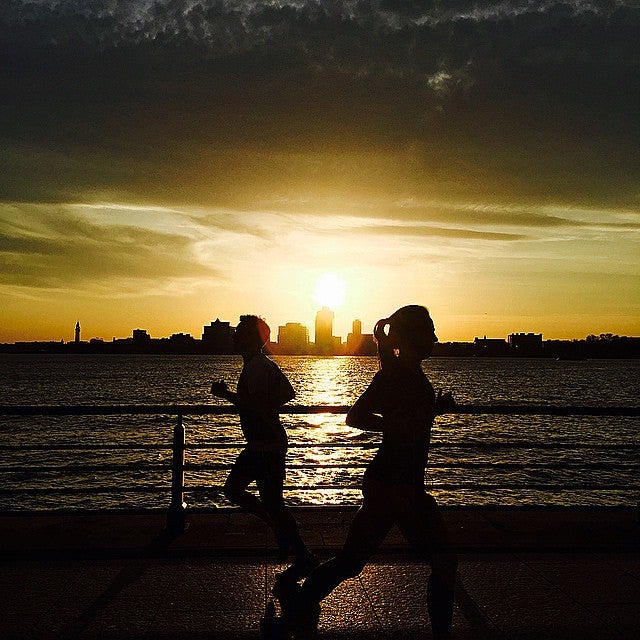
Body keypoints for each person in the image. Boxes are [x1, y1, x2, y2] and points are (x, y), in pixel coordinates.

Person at [291, 305, 458, 639]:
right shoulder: (395, 376)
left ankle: (298, 607)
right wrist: (393, 425)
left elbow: (410, 420)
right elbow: (355, 416)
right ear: (413, 336)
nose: (436, 337)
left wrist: (435, 409)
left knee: (352, 562)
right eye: (431, 330)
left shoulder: (411, 375)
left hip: (404, 484)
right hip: (391, 487)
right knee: (442, 563)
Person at [211, 315, 315, 573]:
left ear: (248, 338)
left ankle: (292, 541)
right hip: (267, 442)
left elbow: (255, 405)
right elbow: (287, 393)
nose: (234, 336)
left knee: (238, 491)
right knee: (272, 501)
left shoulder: (256, 367)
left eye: (238, 333)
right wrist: (269, 407)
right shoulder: (263, 364)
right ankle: (298, 548)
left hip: (264, 444)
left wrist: (226, 395)